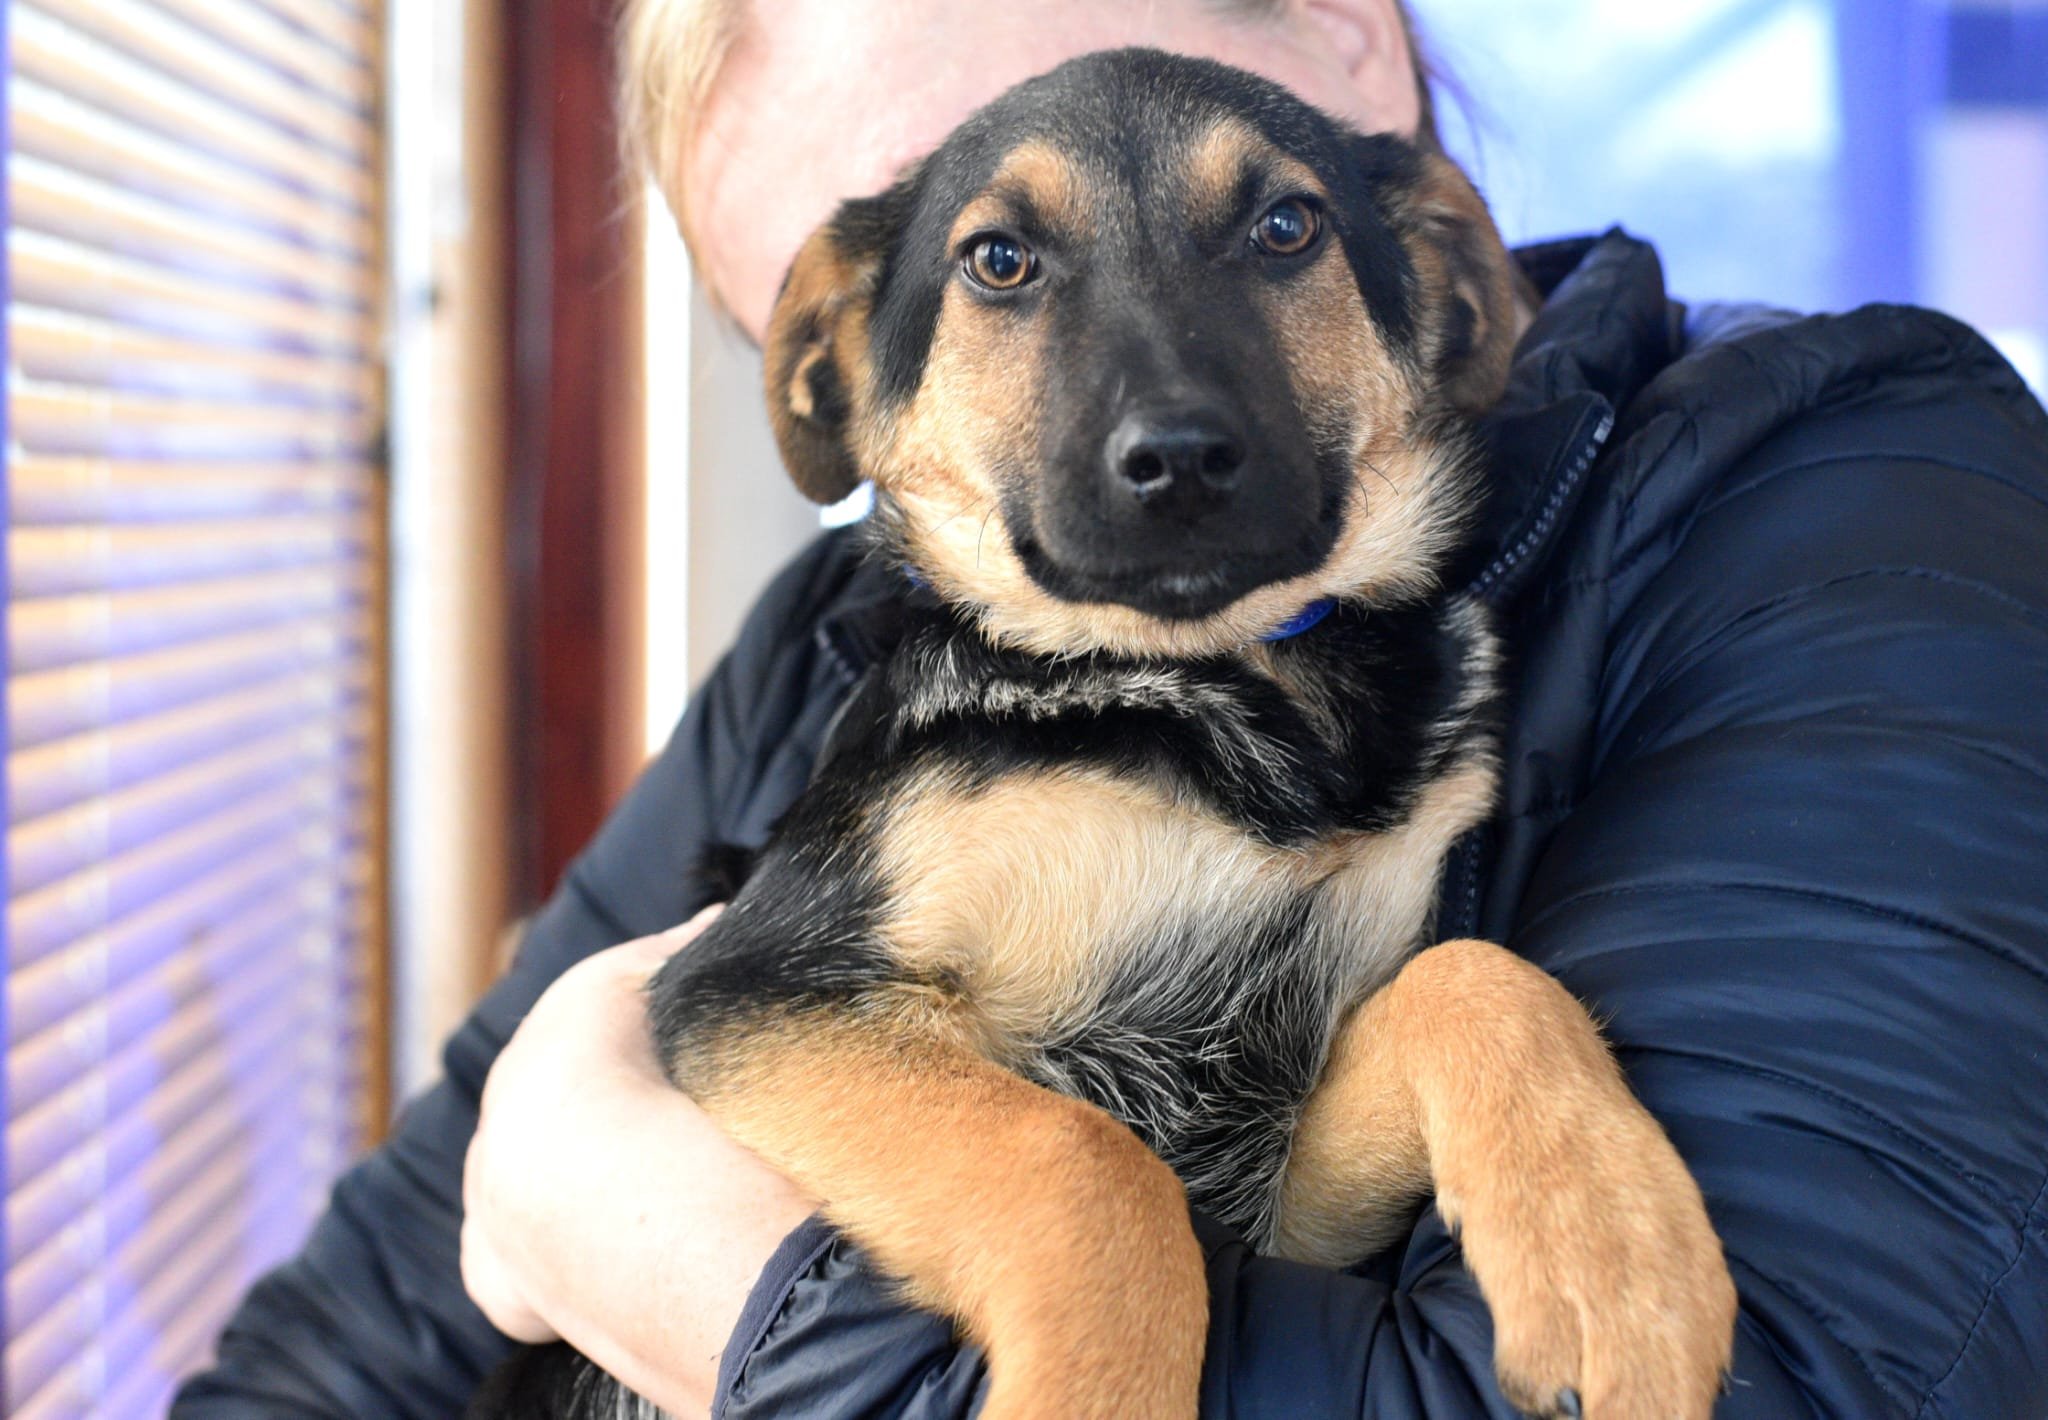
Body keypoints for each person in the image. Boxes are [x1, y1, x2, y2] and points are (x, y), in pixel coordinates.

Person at [173, 1, 2048, 1416]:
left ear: (1337, 39)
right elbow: (344, 1351)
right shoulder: (845, 642)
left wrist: (696, 1265)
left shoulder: (1848, 499)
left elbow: (1821, 1368)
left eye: (1253, 227)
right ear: (869, 403)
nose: (1155, 403)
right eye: (992, 271)